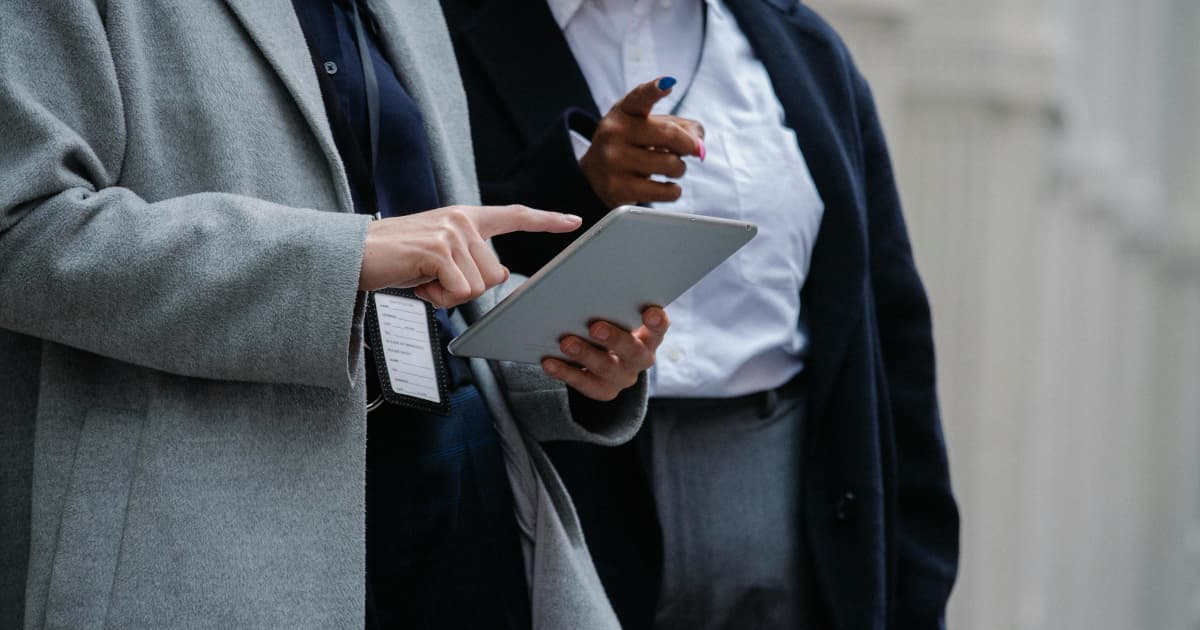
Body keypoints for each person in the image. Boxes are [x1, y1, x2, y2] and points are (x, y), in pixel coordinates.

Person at [0, 2, 667, 629]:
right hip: (212, 541)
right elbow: (21, 231)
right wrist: (346, 255)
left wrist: (566, 355)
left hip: (469, 490)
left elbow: (439, 276)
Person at [439, 0, 961, 628]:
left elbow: (890, 334)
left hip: (785, 497)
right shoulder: (440, 28)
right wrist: (579, 188)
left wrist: (916, 588)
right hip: (559, 496)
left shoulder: (801, 47)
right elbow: (428, 266)